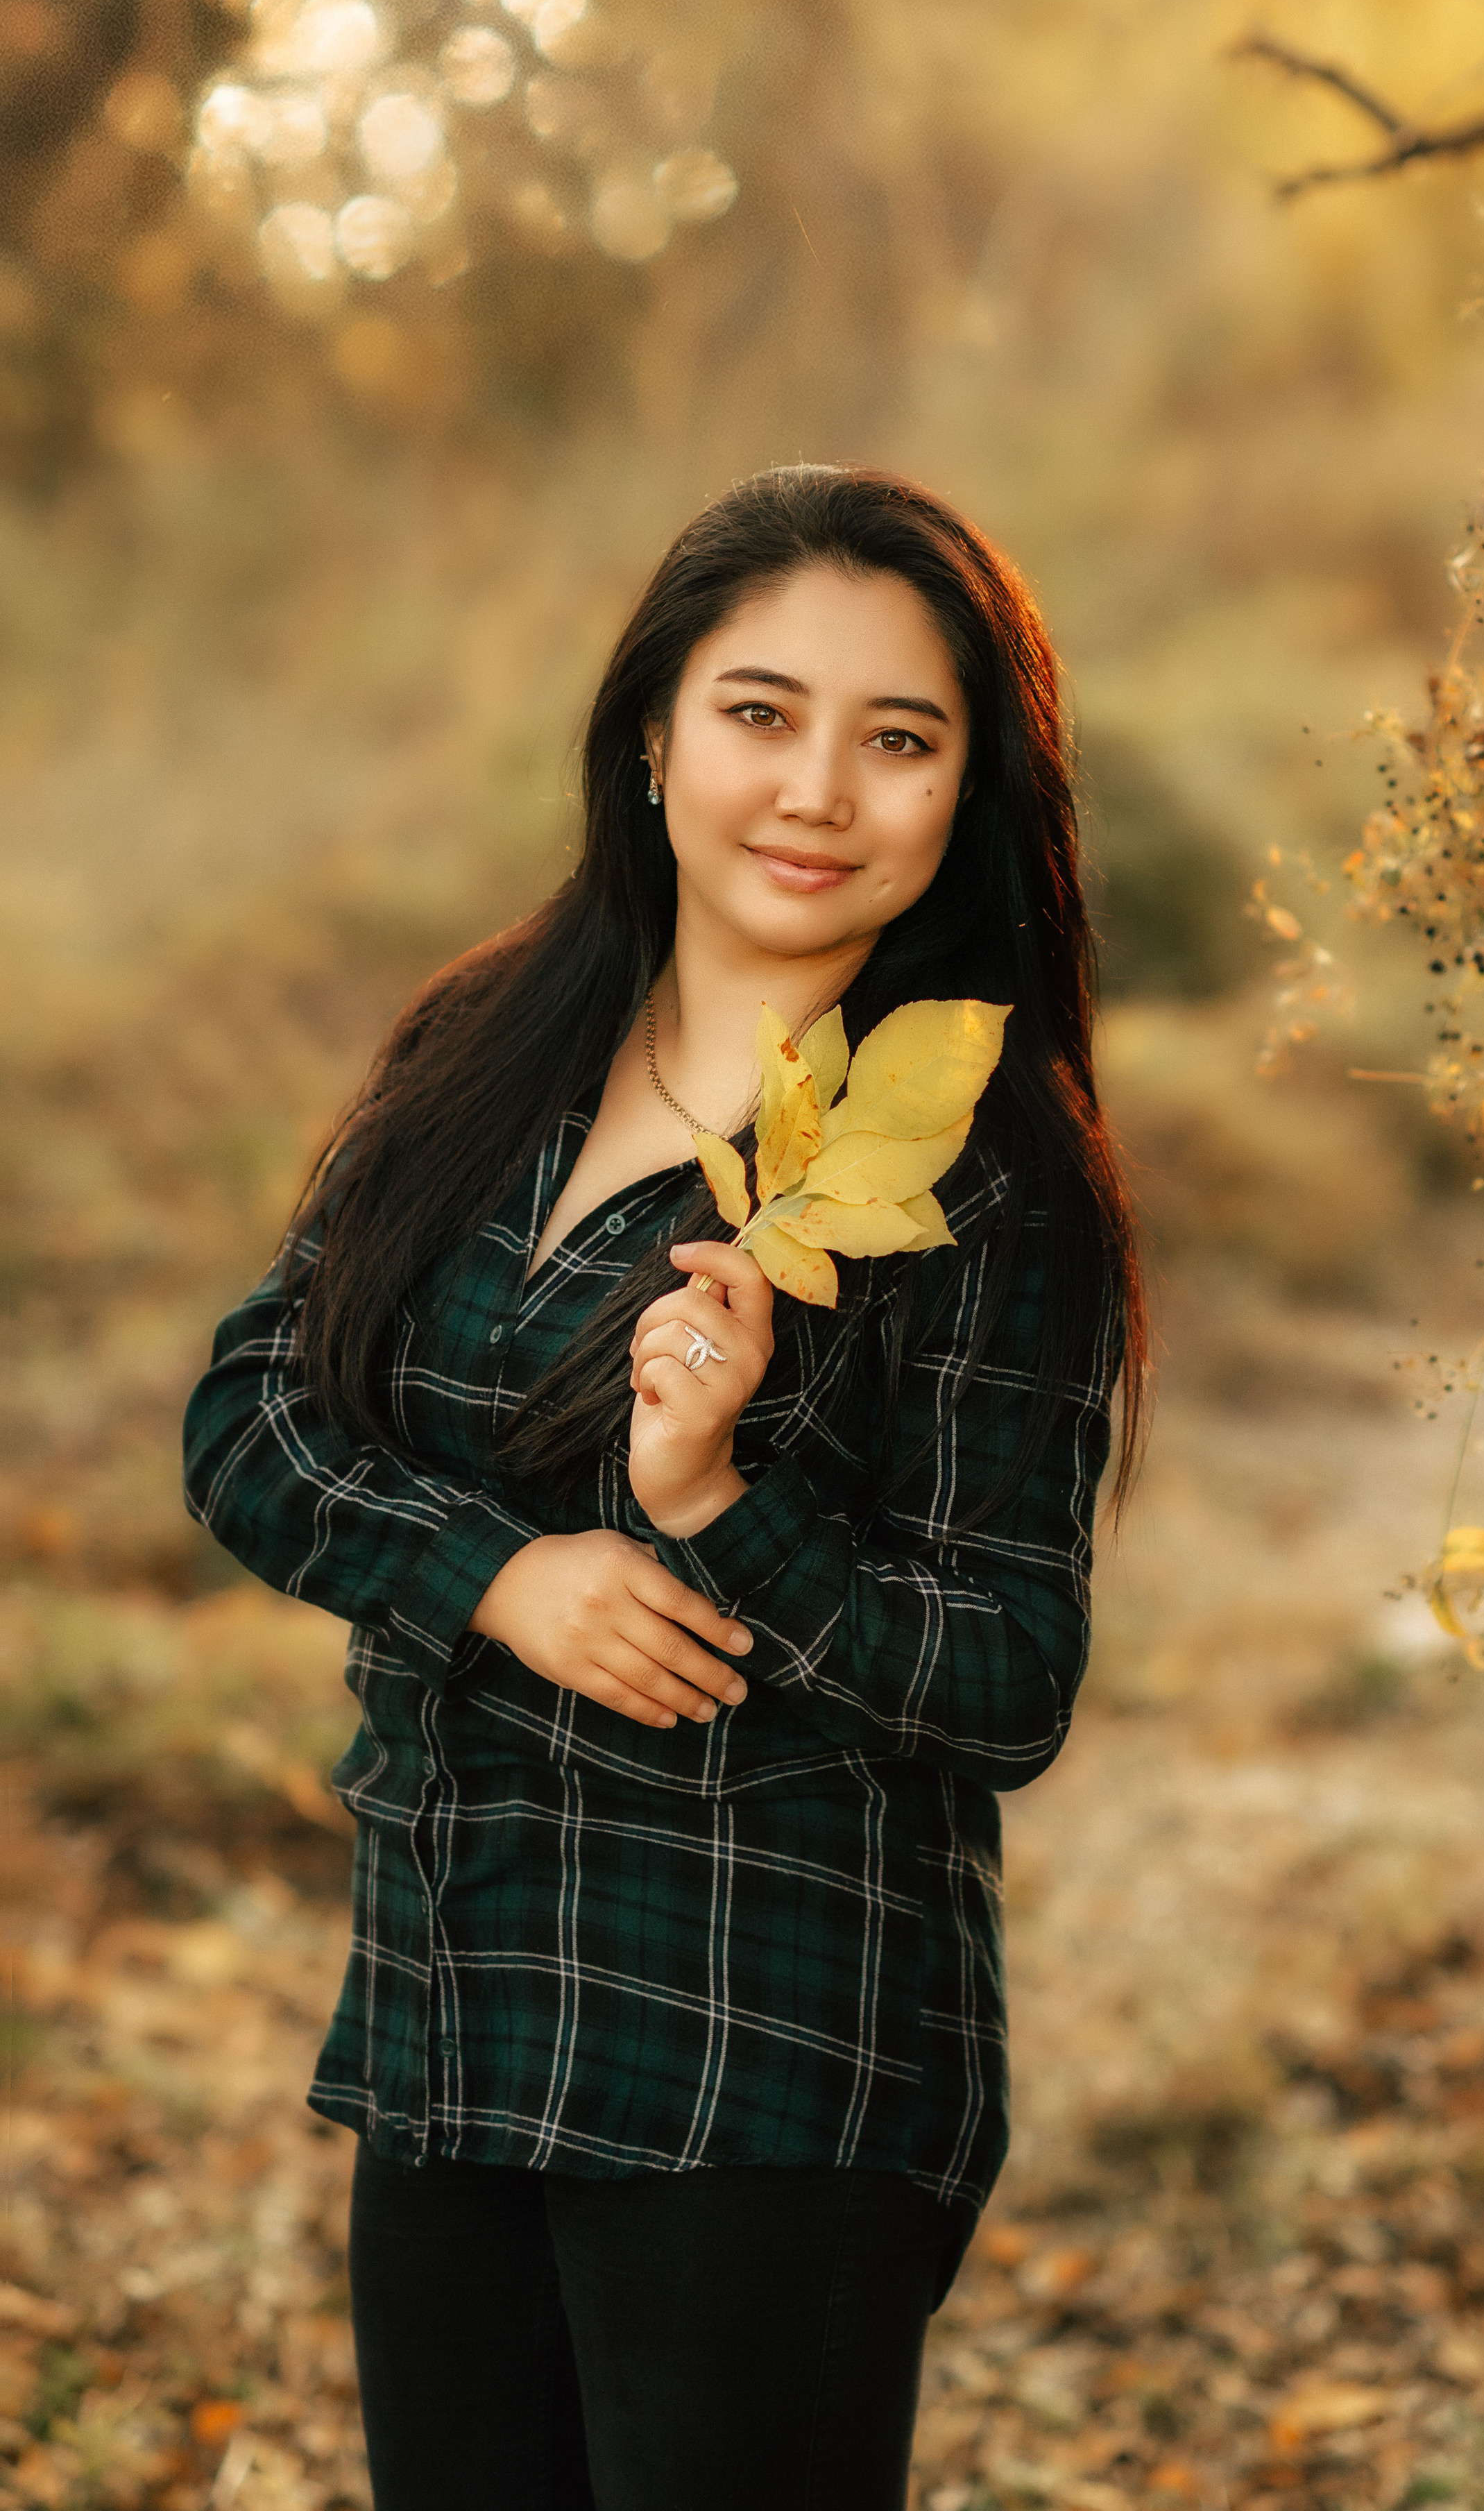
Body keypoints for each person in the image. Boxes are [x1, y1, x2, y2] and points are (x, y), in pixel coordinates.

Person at [182, 464, 1148, 2510]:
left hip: (764, 2062)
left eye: (900, 741)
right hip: (454, 2017)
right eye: (760, 713)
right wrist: (497, 1577)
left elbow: (1009, 1674)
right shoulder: (490, 1053)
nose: (818, 790)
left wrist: (720, 1505)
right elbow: (254, 1418)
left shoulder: (984, 1178)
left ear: (971, 794)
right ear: (651, 734)